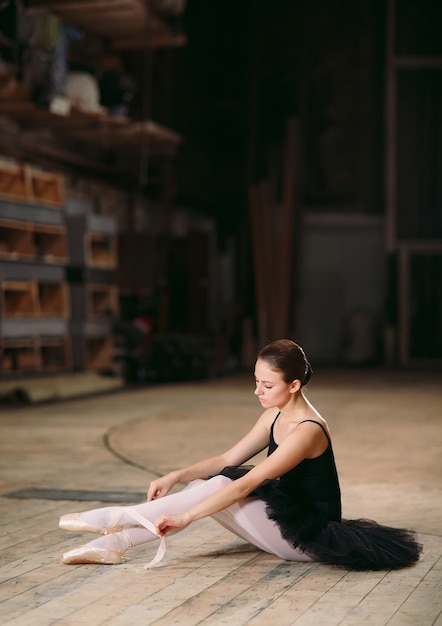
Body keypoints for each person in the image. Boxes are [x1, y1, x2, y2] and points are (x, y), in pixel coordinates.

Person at [59, 339, 421, 570]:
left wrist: (186, 517)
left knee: (218, 486)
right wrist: (174, 475)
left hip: (307, 536)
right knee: (211, 479)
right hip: (284, 517)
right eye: (256, 381)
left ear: (294, 385)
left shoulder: (308, 430)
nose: (256, 391)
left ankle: (112, 521)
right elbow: (227, 459)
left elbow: (246, 481)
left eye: (267, 385)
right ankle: (114, 541)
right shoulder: (275, 414)